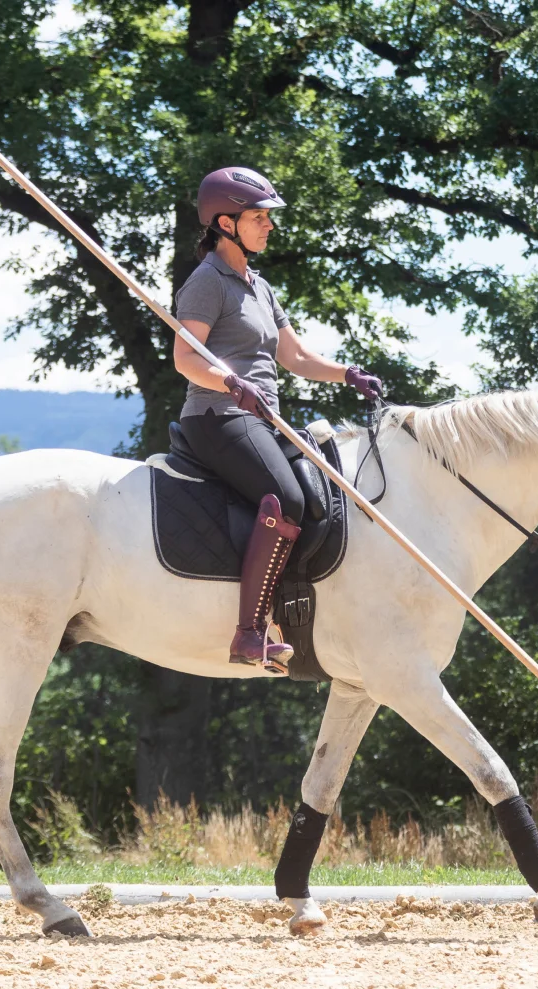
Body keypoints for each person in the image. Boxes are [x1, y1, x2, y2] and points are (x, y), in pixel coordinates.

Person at [173, 166, 383, 671]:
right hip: (217, 415)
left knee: (320, 492)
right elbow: (184, 357)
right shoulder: (207, 283)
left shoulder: (259, 286)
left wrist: (347, 374)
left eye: (269, 217)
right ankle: (249, 634)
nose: (269, 225)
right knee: (286, 498)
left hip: (258, 418)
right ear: (226, 223)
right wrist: (230, 382)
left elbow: (296, 358)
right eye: (259, 217)